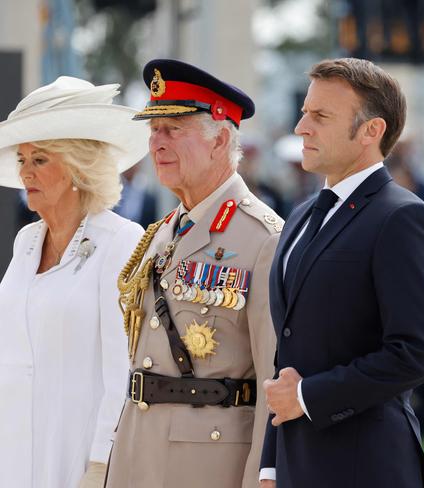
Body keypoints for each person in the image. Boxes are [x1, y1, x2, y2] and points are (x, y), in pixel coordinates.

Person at [261, 58, 424, 488]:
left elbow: (415, 353)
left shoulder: (403, 217)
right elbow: (287, 355)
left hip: (368, 465)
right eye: (304, 112)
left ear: (371, 131)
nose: (301, 127)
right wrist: (271, 466)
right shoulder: (302, 215)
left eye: (320, 116)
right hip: (295, 464)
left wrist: (307, 397)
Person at [105, 59, 280, 488]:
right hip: (136, 451)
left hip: (208, 463)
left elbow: (274, 377)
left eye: (173, 130)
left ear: (221, 139)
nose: (157, 144)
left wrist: (264, 476)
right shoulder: (163, 232)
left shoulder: (264, 239)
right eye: (153, 131)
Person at [0, 76, 148, 487]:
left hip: (75, 455)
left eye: (40, 160)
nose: (26, 172)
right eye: (22, 159)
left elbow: (124, 369)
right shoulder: (26, 240)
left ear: (78, 167)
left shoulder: (121, 240)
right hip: (11, 454)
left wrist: (101, 463)